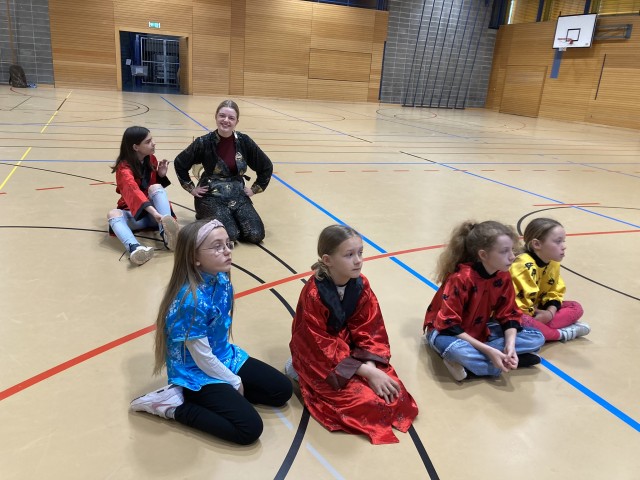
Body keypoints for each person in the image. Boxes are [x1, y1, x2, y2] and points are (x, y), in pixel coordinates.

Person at [130, 219, 292, 445]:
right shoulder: (191, 301)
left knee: (281, 391)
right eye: (217, 247)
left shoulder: (221, 279)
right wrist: (234, 381)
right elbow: (202, 358)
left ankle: (220, 399)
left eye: (228, 244)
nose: (227, 251)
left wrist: (233, 381)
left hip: (224, 356)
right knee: (249, 429)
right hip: (195, 372)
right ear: (194, 258)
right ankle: (174, 406)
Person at [288, 225, 418, 445]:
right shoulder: (314, 294)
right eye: (349, 255)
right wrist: (366, 372)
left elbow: (370, 327)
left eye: (360, 253)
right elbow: (318, 344)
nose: (358, 260)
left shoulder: (361, 284)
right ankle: (295, 368)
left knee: (395, 394)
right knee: (366, 403)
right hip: (319, 356)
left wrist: (372, 369)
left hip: (350, 349)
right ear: (328, 260)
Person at [423, 220, 545, 382]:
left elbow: (509, 314)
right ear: (483, 255)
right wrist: (489, 350)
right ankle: (496, 363)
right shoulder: (461, 278)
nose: (512, 256)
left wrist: (510, 346)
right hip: (445, 332)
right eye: (504, 251)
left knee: (537, 337)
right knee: (457, 351)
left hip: (479, 329)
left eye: (512, 250)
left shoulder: (503, 275)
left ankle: (478, 365)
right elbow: (449, 324)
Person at [174, 100, 273, 244]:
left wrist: (254, 189)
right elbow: (180, 162)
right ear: (216, 117)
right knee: (230, 235)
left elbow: (266, 166)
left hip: (237, 195)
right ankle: (204, 214)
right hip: (211, 197)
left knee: (255, 235)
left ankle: (230, 218)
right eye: (222, 116)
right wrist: (191, 188)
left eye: (231, 118)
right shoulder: (204, 142)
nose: (226, 120)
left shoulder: (244, 141)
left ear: (236, 122)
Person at [107, 126, 179, 265]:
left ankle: (166, 233)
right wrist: (155, 213)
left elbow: (152, 190)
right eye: (148, 141)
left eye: (152, 139)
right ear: (135, 147)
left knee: (156, 187)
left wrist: (160, 175)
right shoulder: (123, 169)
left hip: (157, 217)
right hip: (140, 216)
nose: (154, 143)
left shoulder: (151, 159)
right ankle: (135, 248)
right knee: (112, 214)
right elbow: (134, 192)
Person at [510, 218, 589, 342]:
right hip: (520, 313)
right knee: (524, 321)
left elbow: (555, 291)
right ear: (537, 244)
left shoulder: (553, 262)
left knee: (575, 307)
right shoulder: (524, 265)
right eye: (558, 242)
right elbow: (518, 307)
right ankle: (560, 334)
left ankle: (543, 330)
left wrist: (550, 313)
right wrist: (539, 315)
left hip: (538, 310)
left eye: (563, 241)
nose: (564, 246)